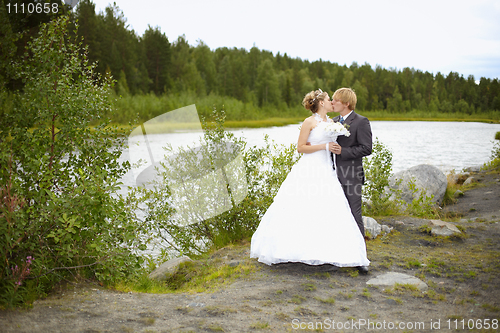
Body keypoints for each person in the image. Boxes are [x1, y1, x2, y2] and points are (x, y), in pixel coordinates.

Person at [250, 89, 369, 270]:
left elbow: (362, 147)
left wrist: (336, 149)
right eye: (330, 99)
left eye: (335, 100)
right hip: (310, 168)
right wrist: (324, 146)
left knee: (333, 210)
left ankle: (347, 253)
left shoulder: (334, 122)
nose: (332, 102)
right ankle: (298, 249)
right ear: (321, 103)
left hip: (332, 171)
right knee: (303, 207)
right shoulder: (310, 122)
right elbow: (301, 147)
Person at [329, 87, 372, 273]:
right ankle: (337, 254)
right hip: (331, 175)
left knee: (355, 214)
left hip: (352, 175)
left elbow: (366, 148)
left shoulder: (361, 122)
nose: (332, 102)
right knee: (335, 214)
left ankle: (360, 258)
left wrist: (343, 152)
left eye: (336, 100)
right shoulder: (332, 121)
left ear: (346, 103)